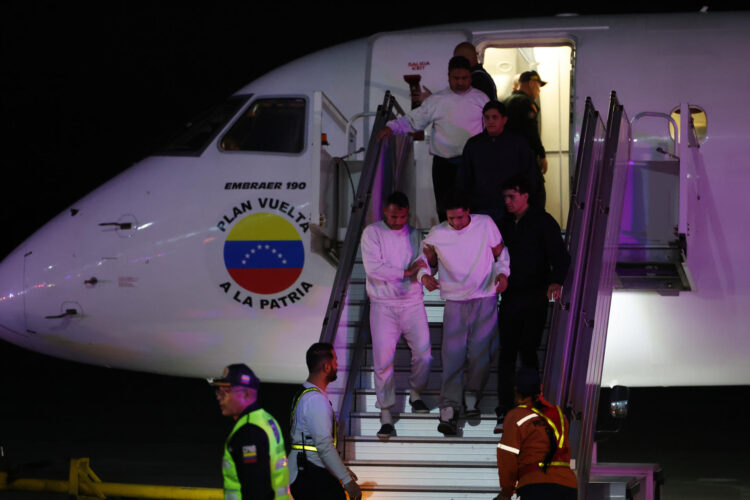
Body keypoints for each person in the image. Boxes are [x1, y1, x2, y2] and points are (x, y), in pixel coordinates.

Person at [417, 192, 510, 435]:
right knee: (452, 356)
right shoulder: (438, 233)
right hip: (456, 300)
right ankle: (448, 407)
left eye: (460, 217)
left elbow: (500, 253)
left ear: (468, 211)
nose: (456, 222)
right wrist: (424, 277)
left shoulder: (485, 224)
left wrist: (503, 274)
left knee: (481, 354)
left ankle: (471, 396)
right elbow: (424, 261)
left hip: (485, 296)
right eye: (451, 218)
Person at [494, 175, 570, 432]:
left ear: (525, 196)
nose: (507, 202)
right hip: (511, 294)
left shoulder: (542, 222)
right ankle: (505, 408)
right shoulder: (504, 223)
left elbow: (560, 256)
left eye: (511, 197)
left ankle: (529, 407)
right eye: (505, 197)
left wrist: (555, 281)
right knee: (508, 353)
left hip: (534, 293)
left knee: (527, 351)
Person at [378, 56, 489, 222]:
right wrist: (391, 127)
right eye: (456, 78)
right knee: (445, 209)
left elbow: (491, 128)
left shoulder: (482, 99)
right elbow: (413, 120)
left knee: (472, 208)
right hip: (444, 165)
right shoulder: (437, 100)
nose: (460, 82)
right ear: (449, 77)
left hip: (472, 164)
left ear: (470, 78)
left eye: (464, 78)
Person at [360, 191, 432, 438]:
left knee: (424, 355)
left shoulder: (414, 234)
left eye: (402, 216)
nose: (398, 221)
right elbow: (373, 268)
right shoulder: (372, 232)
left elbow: (421, 263)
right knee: (383, 361)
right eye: (393, 216)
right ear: (384, 213)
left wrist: (423, 275)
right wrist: (406, 272)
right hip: (382, 304)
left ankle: (415, 393)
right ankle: (386, 413)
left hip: (412, 301)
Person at [288, 343, 362, 500]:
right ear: (326, 366)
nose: (338, 365)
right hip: (313, 477)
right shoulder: (316, 400)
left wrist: (340, 469)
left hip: (304, 472)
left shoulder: (303, 395)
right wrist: (347, 480)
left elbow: (314, 444)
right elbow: (323, 444)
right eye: (335, 360)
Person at [210, 363, 290, 500]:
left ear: (246, 394)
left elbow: (256, 490)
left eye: (225, 392)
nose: (219, 397)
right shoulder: (266, 419)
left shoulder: (248, 432)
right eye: (218, 391)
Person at [495, 367, 577, 500]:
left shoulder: (516, 416)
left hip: (534, 484)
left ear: (516, 391)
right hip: (567, 485)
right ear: (540, 387)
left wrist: (506, 491)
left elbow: (507, 455)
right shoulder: (559, 414)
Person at [457, 100, 541, 229]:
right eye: (487, 117)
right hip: (481, 207)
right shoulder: (474, 145)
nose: (490, 121)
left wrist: (528, 205)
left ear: (504, 119)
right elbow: (464, 178)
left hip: (511, 208)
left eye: (495, 117)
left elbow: (530, 176)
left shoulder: (518, 144)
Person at [504, 70, 548, 206]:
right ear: (531, 83)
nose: (538, 92)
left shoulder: (506, 101)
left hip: (509, 160)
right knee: (536, 197)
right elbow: (531, 132)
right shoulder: (527, 104)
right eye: (538, 88)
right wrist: (541, 155)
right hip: (526, 160)